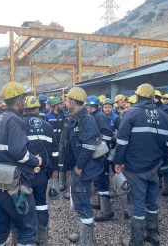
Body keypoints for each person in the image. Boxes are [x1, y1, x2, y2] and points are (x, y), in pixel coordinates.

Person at [115, 83, 168, 246]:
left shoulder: (131, 113)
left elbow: (122, 141)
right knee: (152, 201)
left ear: (138, 97)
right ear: (152, 98)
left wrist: (118, 161)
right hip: (155, 166)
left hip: (135, 167)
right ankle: (153, 235)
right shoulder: (164, 116)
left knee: (137, 202)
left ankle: (137, 240)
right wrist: (162, 157)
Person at [0, 82, 42, 246]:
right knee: (28, 228)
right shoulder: (16, 120)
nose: (25, 102)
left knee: (0, 229)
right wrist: (35, 160)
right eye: (24, 98)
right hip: (15, 184)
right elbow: (18, 152)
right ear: (18, 102)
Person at [64, 87, 101, 245]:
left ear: (72, 102)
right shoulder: (76, 117)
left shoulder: (85, 119)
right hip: (80, 167)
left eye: (66, 100)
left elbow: (88, 147)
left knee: (82, 202)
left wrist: (78, 167)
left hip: (84, 168)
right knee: (80, 201)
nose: (65, 102)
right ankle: (86, 235)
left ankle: (87, 241)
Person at [22, 96, 59, 245]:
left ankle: (24, 237)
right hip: (43, 172)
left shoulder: (18, 125)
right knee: (41, 203)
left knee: (23, 203)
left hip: (24, 173)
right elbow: (54, 151)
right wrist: (54, 169)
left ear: (24, 109)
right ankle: (42, 237)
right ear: (37, 109)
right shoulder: (47, 126)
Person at [86, 95, 114, 222]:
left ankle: (107, 212)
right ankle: (101, 203)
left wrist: (101, 148)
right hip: (96, 153)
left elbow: (108, 134)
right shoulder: (95, 116)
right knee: (97, 180)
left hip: (99, 154)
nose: (88, 108)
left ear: (95, 107)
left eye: (90, 106)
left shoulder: (100, 116)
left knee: (100, 180)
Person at [45, 96, 67, 192]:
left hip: (63, 143)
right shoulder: (48, 116)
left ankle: (62, 184)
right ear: (55, 106)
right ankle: (54, 183)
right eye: (61, 104)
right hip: (52, 143)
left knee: (62, 163)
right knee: (53, 163)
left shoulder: (65, 115)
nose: (63, 105)